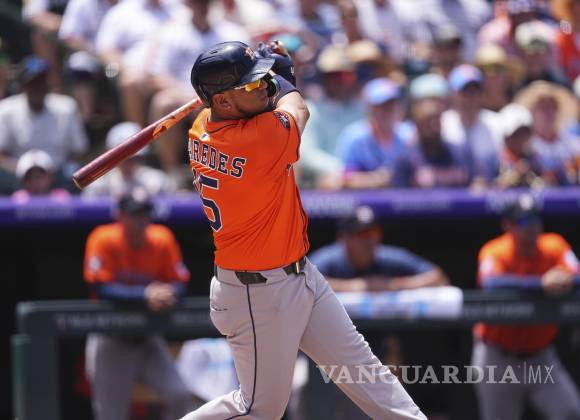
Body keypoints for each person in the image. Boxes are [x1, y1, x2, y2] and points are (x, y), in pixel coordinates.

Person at [180, 40, 426, 419]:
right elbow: (298, 108)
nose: (262, 86)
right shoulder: (257, 139)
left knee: (365, 371)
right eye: (251, 84)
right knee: (258, 409)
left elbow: (264, 102)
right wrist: (283, 74)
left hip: (298, 274)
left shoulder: (201, 126)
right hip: (257, 292)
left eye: (261, 80)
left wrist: (263, 68)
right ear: (224, 101)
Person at [84, 188, 194, 420]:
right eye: (136, 213)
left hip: (147, 339)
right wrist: (145, 294)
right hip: (112, 340)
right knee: (111, 415)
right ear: (120, 215)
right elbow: (100, 287)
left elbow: (181, 283)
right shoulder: (103, 238)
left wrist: (168, 293)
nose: (142, 219)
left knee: (180, 395)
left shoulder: (161, 238)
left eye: (146, 212)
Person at [472, 193, 580, 420]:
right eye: (523, 221)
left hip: (541, 358)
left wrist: (567, 281)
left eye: (535, 219)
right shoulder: (495, 250)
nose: (531, 226)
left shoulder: (554, 245)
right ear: (508, 225)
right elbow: (491, 283)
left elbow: (576, 273)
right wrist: (541, 284)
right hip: (498, 359)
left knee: (570, 413)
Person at [0, 57, 89, 179]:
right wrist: (29, 174)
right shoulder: (6, 109)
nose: (38, 87)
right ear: (23, 86)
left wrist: (48, 176)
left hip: (58, 174)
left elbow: (79, 151)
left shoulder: (66, 107)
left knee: (76, 174)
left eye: (42, 82)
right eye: (33, 83)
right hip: (18, 176)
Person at [337, 77, 413, 189]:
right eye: (381, 106)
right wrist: (375, 179)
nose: (387, 110)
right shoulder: (354, 136)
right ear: (369, 108)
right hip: (363, 198)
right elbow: (343, 178)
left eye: (391, 104)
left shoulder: (408, 134)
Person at [441, 64, 502, 188]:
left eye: (474, 91)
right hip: (452, 192)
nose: (470, 97)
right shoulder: (442, 123)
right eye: (465, 92)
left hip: (489, 191)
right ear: (453, 94)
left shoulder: (496, 123)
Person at [82, 122, 177, 197]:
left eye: (134, 158)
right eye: (122, 158)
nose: (129, 163)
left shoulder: (157, 181)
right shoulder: (99, 185)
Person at [392, 98, 470, 188]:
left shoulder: (460, 153)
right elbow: (398, 193)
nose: (434, 127)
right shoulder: (406, 159)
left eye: (436, 121)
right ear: (418, 126)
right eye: (428, 123)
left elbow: (475, 184)